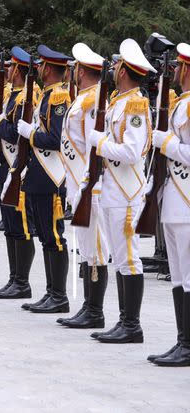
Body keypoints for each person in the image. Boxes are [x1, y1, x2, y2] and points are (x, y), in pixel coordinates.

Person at [87, 39, 154, 343]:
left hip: (126, 193)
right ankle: (123, 320)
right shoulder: (119, 102)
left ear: (125, 71)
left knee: (129, 257)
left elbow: (132, 151)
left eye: (116, 65)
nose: (112, 69)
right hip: (113, 190)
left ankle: (132, 325)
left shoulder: (135, 105)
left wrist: (100, 143)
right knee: (119, 257)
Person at [57, 43, 109, 326]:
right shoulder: (85, 98)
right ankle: (89, 307)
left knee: (96, 249)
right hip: (79, 183)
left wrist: (88, 184)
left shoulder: (92, 101)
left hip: (90, 184)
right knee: (88, 249)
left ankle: (95, 311)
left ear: (82, 71)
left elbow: (93, 146)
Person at [17, 45, 71, 313]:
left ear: (48, 68)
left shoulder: (58, 97)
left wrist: (30, 134)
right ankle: (51, 293)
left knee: (54, 236)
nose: (37, 68)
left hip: (51, 177)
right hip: (39, 174)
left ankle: (59, 296)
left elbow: (57, 139)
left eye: (40, 65)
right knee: (46, 237)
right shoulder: (48, 95)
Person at [0, 47, 40, 298]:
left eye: (11, 66)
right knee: (9, 225)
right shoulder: (11, 95)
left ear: (19, 69)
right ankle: (13, 278)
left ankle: (23, 282)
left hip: (20, 168)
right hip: (5, 167)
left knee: (21, 226)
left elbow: (19, 135)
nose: (7, 70)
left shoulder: (28, 96)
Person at [150, 41, 190, 366]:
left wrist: (168, 144)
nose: (174, 71)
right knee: (177, 277)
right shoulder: (180, 103)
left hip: (188, 202)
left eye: (179, 66)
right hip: (174, 201)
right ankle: (182, 341)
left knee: (189, 277)